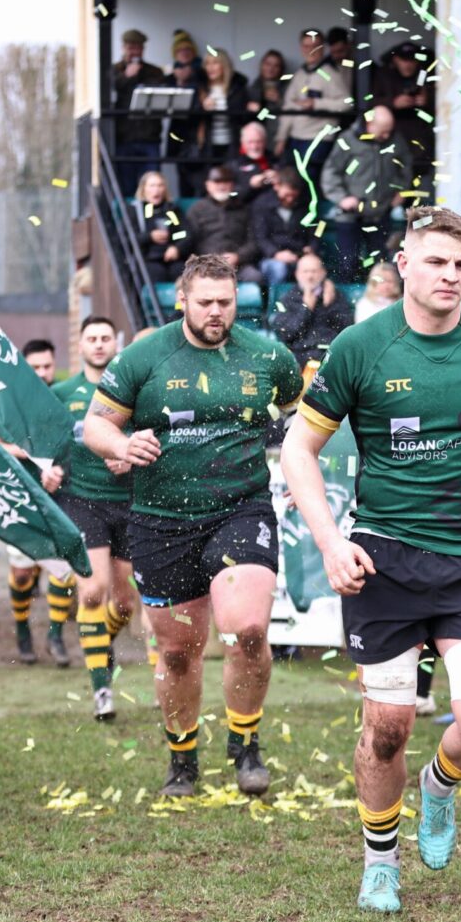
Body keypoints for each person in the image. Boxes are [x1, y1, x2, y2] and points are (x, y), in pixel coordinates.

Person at [279, 205, 461, 915]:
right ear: (404, 263)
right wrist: (328, 538)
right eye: (436, 262)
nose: (450, 276)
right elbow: (297, 449)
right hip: (382, 561)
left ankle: (438, 790)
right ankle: (380, 862)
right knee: (387, 729)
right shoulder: (359, 346)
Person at [84, 255, 304, 799]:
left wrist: (305, 473)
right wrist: (122, 444)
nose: (215, 312)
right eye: (204, 301)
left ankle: (245, 743)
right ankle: (182, 758)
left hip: (241, 508)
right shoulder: (145, 357)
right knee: (179, 651)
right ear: (182, 298)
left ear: (238, 301)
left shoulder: (269, 357)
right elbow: (95, 423)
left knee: (247, 627)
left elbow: (302, 423)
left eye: (225, 303)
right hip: (161, 520)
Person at [52, 317, 139, 721]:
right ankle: (101, 688)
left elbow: (152, 440)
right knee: (92, 591)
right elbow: (38, 443)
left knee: (124, 603)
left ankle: (98, 643)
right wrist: (43, 471)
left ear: (114, 344)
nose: (100, 344)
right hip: (82, 499)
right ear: (81, 345)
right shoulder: (63, 393)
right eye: (93, 338)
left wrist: (130, 460)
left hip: (129, 501)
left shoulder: (132, 389)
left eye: (106, 338)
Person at [3, 339, 61, 664]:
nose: (41, 372)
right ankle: (22, 627)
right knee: (23, 575)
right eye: (35, 367)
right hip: (20, 500)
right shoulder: (10, 404)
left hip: (61, 499)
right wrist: (28, 452)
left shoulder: (63, 397)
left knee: (60, 572)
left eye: (47, 366)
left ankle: (55, 636)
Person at [321, 105, 414, 281]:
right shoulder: (347, 140)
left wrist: (402, 190)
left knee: (381, 264)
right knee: (348, 265)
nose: (387, 136)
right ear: (370, 124)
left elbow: (405, 165)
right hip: (350, 213)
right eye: (383, 132)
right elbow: (330, 172)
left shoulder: (395, 140)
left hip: (380, 211)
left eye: (389, 131)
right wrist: (341, 198)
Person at [276, 28, 353, 187]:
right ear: (300, 47)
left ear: (323, 47)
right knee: (294, 182)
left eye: (315, 46)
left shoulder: (330, 73)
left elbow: (347, 103)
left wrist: (317, 104)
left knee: (311, 183)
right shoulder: (299, 74)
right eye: (306, 46)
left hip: (319, 139)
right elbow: (288, 108)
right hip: (296, 138)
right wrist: (281, 138)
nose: (310, 50)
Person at [110, 28, 166, 197]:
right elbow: (111, 92)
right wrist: (127, 77)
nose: (134, 52)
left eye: (138, 48)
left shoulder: (154, 72)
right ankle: (131, 219)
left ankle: (148, 218)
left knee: (151, 183)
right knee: (126, 184)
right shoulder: (113, 71)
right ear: (123, 48)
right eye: (130, 48)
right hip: (124, 137)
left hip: (149, 137)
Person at [271, 253, 353, 367]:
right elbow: (285, 333)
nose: (310, 276)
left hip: (329, 354)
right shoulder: (288, 298)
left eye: (314, 271)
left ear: (323, 273)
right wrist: (306, 308)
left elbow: (346, 327)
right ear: (297, 274)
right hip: (299, 355)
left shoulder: (335, 295)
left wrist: (328, 306)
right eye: (305, 271)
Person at [186, 166, 261, 281]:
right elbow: (190, 242)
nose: (221, 186)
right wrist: (212, 259)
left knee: (255, 276)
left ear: (232, 185)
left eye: (226, 182)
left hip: (238, 265)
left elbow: (254, 242)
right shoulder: (197, 209)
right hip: (206, 266)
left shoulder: (243, 209)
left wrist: (238, 256)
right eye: (217, 182)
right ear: (208, 185)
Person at [372, 42, 433, 168]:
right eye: (404, 60)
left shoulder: (424, 75)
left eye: (412, 60)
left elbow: (445, 106)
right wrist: (392, 103)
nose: (408, 64)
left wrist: (427, 101)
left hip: (419, 136)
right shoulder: (384, 75)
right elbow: (368, 102)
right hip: (392, 135)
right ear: (395, 59)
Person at [249, 172, 314, 287]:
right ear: (277, 186)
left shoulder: (305, 205)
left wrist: (312, 247)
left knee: (313, 267)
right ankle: (275, 302)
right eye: (286, 195)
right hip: (271, 256)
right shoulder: (262, 204)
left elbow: (317, 228)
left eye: (293, 196)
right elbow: (260, 237)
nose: (289, 199)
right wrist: (276, 254)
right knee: (279, 268)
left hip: (298, 254)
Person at [164, 29, 207, 197]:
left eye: (188, 50)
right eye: (180, 51)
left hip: (200, 130)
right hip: (180, 132)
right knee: (182, 178)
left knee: (202, 178)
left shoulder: (203, 72)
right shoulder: (170, 77)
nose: (184, 54)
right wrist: (179, 82)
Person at [134, 171, 190, 283]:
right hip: (148, 258)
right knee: (156, 273)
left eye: (160, 185)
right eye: (152, 186)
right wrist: (150, 236)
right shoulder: (136, 210)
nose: (157, 190)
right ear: (143, 189)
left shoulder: (171, 210)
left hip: (171, 257)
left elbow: (185, 233)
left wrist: (177, 248)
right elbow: (128, 237)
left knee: (182, 271)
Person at [198, 48, 249, 168]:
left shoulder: (237, 87)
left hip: (232, 143)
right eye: (207, 63)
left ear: (224, 65)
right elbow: (189, 120)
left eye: (215, 63)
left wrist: (252, 110)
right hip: (206, 145)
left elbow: (245, 119)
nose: (210, 67)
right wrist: (201, 108)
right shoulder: (199, 88)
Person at [228, 122, 278, 205]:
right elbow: (230, 195)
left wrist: (279, 178)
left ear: (265, 141)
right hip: (244, 210)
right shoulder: (233, 163)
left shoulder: (274, 160)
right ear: (242, 142)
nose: (254, 147)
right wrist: (250, 186)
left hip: (270, 209)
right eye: (250, 142)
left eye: (258, 142)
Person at [245, 49, 287, 146]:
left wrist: (279, 101)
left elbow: (292, 111)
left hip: (279, 138)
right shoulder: (253, 88)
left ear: (281, 69)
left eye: (276, 66)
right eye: (268, 64)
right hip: (256, 139)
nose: (271, 69)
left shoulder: (287, 88)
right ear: (262, 65)